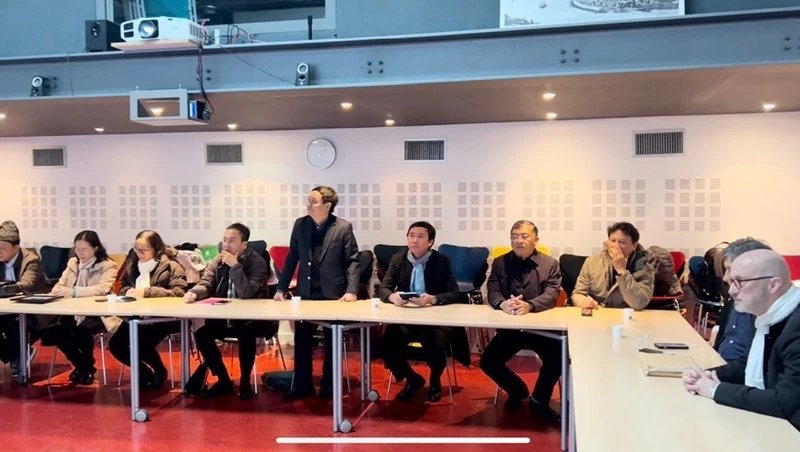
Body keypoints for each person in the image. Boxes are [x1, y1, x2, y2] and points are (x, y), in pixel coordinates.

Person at [682, 250, 800, 430]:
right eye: (730, 282)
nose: (731, 291)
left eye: (740, 282)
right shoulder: (764, 313)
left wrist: (714, 389)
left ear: (773, 285)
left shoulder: (795, 325)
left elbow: (785, 403)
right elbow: (746, 364)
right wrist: (703, 376)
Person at [274, 186, 360, 400]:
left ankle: (329, 386)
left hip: (334, 294)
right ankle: (302, 384)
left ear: (327, 205)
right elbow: (292, 257)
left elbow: (353, 261)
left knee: (332, 340)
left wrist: (351, 291)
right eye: (308, 200)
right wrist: (281, 289)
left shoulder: (343, 227)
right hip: (306, 293)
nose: (308, 204)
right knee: (302, 339)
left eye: (313, 201)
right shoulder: (301, 224)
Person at [479, 220, 563, 421]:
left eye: (524, 236)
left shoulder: (550, 264)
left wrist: (530, 305)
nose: (519, 240)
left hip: (541, 328)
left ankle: (539, 402)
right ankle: (517, 390)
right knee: (488, 362)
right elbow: (493, 290)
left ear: (536, 239)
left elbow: (552, 294)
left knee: (557, 359)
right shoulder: (500, 262)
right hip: (512, 327)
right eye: (514, 236)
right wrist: (502, 304)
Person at [185, 223, 278, 400]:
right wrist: (194, 292)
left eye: (232, 241)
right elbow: (207, 283)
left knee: (246, 333)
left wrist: (235, 266)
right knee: (202, 334)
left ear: (244, 244)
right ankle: (223, 380)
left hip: (254, 321)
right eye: (224, 240)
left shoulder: (258, 262)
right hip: (224, 318)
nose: (226, 245)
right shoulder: (217, 261)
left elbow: (246, 293)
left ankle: (245, 381)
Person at [376, 221, 461, 403]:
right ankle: (412, 378)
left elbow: (453, 292)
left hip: (434, 320)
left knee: (434, 341)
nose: (414, 240)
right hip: (407, 318)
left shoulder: (441, 261)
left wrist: (432, 299)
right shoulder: (398, 259)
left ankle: (435, 381)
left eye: (420, 236)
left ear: (430, 242)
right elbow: (384, 288)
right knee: (386, 343)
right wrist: (393, 297)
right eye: (411, 235)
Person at [108, 230, 187, 390]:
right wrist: (127, 292)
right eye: (137, 249)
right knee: (116, 345)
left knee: (141, 344)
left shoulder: (171, 266)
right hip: (135, 315)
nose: (140, 253)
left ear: (157, 249)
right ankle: (143, 372)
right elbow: (122, 287)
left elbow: (179, 293)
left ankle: (159, 370)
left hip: (162, 317)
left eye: (144, 250)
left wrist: (147, 292)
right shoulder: (132, 264)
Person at [41, 231, 118, 384]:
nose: (80, 253)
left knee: (81, 331)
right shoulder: (72, 263)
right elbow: (61, 283)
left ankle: (84, 367)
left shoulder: (108, 265)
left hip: (98, 312)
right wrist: (57, 290)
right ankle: (84, 366)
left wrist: (74, 291)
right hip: (72, 310)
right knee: (55, 331)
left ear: (95, 248)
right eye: (77, 249)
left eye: (84, 249)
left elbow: (102, 288)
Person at [0, 220, 48, 381]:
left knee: (16, 326)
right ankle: (16, 356)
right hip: (6, 310)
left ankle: (18, 358)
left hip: (33, 311)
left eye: (2, 248)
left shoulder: (31, 260)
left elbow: (25, 285)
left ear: (16, 248)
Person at [571, 221, 654, 310]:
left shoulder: (645, 268)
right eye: (612, 241)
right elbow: (577, 293)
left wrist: (622, 271)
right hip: (598, 314)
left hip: (625, 316)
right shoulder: (592, 262)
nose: (615, 246)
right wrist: (582, 301)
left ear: (634, 245)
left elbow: (639, 303)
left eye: (622, 242)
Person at [714, 238, 772, 362]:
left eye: (730, 269)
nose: (725, 277)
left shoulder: (768, 310)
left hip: (739, 376)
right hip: (722, 367)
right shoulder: (732, 301)